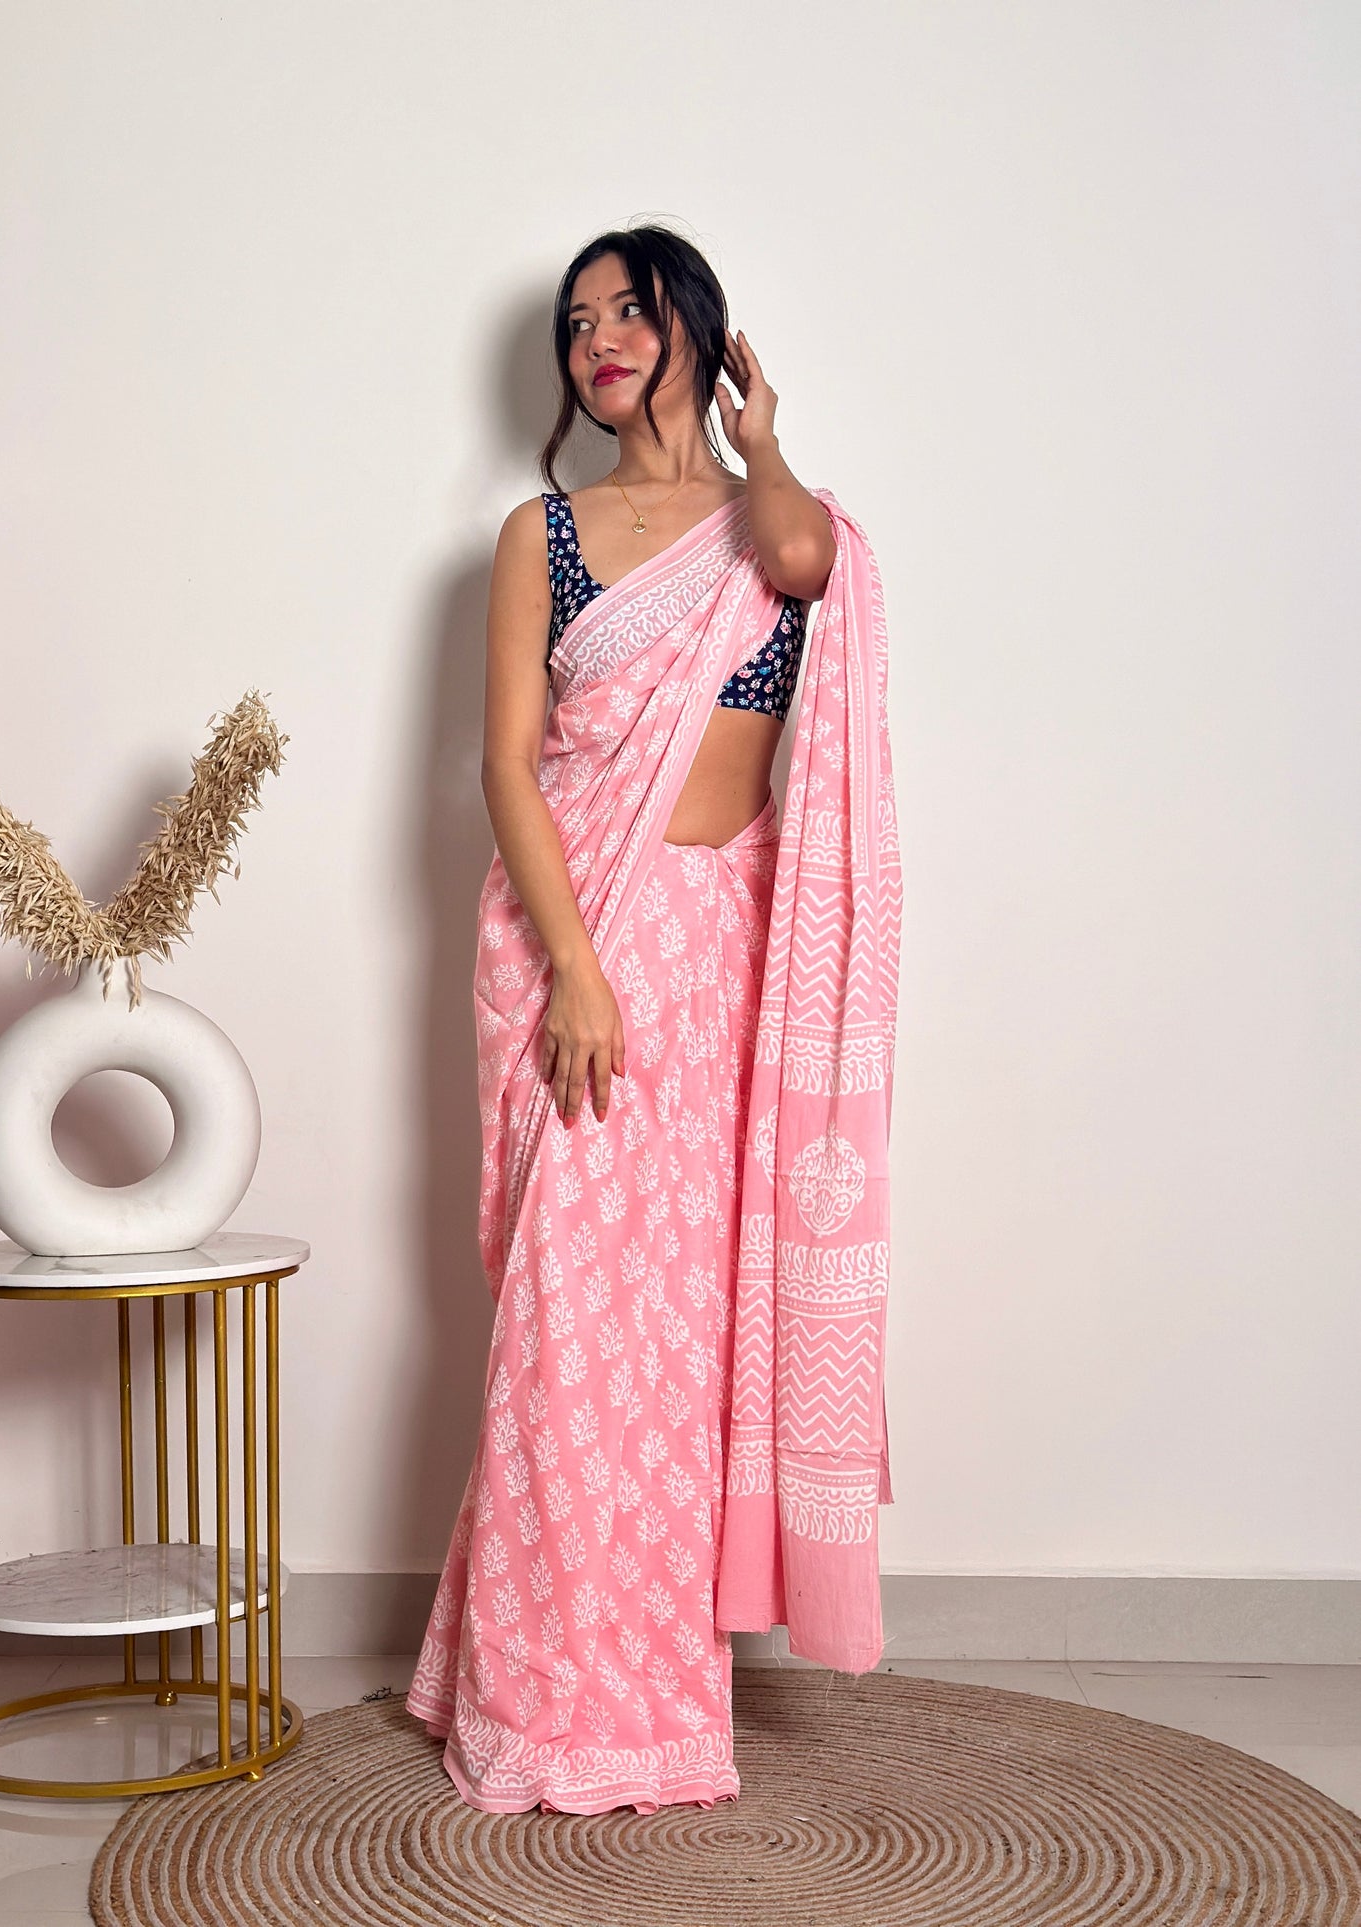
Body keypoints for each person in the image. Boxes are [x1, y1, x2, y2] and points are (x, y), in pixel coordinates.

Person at [406, 223, 902, 1815]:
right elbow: (506, 764)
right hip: (584, 937)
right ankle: (539, 1697)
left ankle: (655, 1696)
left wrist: (764, 442)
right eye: (577, 323)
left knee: (680, 1339)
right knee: (567, 1333)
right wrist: (574, 967)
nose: (601, 339)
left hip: (727, 954)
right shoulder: (542, 536)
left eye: (629, 310)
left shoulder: (769, 527)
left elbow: (806, 561)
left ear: (696, 325)